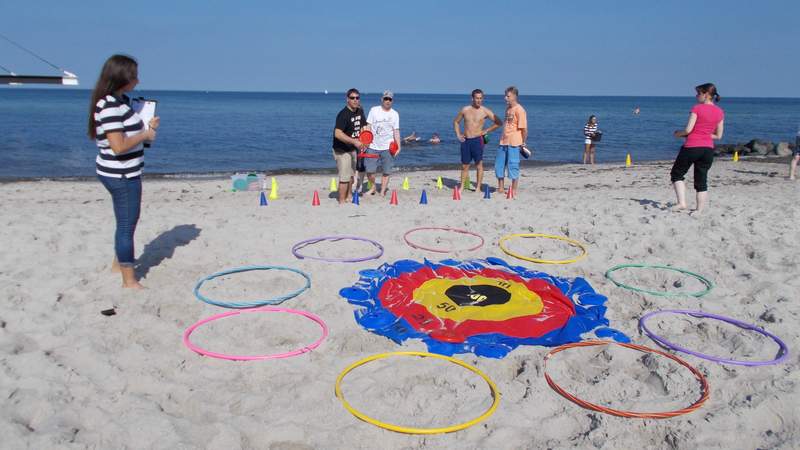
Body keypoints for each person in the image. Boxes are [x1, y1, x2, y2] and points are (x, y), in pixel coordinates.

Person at [88, 54, 159, 289]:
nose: (137, 81)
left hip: (125, 171)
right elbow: (118, 146)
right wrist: (144, 135)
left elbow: (127, 136)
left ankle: (119, 263)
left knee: (127, 220)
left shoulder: (121, 101)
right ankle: (129, 280)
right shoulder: (108, 106)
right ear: (122, 78)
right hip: (120, 174)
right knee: (127, 224)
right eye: (134, 76)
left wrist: (147, 128)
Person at [670, 83, 724, 215]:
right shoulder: (720, 112)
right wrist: (704, 134)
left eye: (698, 93)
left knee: (677, 174)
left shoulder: (697, 108)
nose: (696, 96)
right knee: (701, 180)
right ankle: (699, 210)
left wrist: (678, 133)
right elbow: (718, 135)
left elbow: (688, 129)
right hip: (708, 149)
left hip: (692, 147)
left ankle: (682, 203)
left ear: (706, 94)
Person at [454, 89, 501, 192]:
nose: (479, 100)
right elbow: (456, 122)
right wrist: (458, 134)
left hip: (478, 140)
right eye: (477, 98)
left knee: (479, 164)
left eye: (480, 98)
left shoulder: (485, 111)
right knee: (464, 165)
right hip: (466, 140)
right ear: (472, 98)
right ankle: (461, 187)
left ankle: (478, 187)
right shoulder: (465, 110)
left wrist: (486, 130)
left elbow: (499, 122)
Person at [332, 88, 367, 204]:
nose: (355, 100)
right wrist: (354, 141)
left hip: (353, 149)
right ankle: (342, 201)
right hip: (341, 150)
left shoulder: (359, 111)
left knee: (351, 176)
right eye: (352, 98)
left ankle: (348, 196)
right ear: (347, 100)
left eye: (357, 98)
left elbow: (363, 127)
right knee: (344, 178)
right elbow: (337, 134)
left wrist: (365, 141)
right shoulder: (343, 114)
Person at [363, 90, 401, 196]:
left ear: (392, 101)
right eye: (386, 99)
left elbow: (396, 131)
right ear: (382, 99)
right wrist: (365, 141)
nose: (388, 101)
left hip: (388, 147)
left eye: (390, 99)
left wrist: (399, 146)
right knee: (369, 170)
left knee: (386, 171)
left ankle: (383, 191)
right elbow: (368, 126)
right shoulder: (374, 110)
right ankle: (373, 187)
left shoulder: (395, 114)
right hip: (372, 146)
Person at [495, 86, 527, 195]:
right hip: (503, 141)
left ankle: (513, 190)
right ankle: (500, 188)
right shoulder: (508, 109)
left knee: (513, 165)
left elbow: (524, 129)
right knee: (499, 165)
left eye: (508, 96)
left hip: (514, 142)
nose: (505, 98)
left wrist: (523, 143)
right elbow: (506, 124)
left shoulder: (520, 110)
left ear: (514, 96)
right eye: (505, 96)